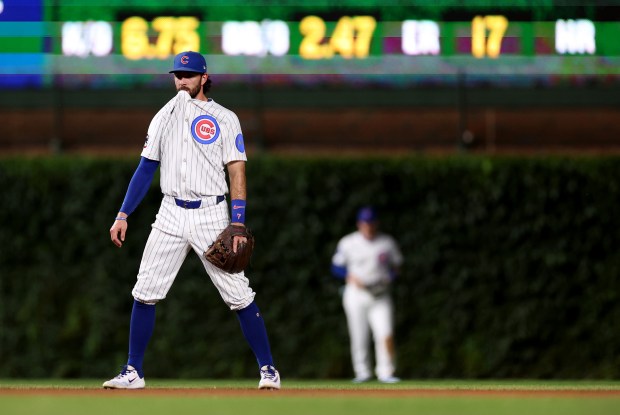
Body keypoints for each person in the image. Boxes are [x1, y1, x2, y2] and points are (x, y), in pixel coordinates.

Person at [103, 51, 280, 390]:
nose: (182, 80)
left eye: (189, 74)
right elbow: (146, 167)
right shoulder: (163, 117)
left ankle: (268, 369)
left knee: (238, 294)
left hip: (212, 213)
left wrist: (238, 222)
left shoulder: (225, 118)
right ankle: (133, 371)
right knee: (145, 290)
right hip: (170, 211)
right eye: (177, 74)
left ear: (204, 77)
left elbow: (237, 170)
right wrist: (123, 213)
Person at [330, 206, 403, 383]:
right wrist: (349, 276)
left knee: (385, 332)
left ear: (376, 224)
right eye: (365, 223)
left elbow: (397, 267)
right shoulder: (349, 242)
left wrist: (388, 278)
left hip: (380, 294)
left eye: (371, 223)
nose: (368, 227)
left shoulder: (387, 242)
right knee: (358, 334)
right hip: (356, 294)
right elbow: (336, 267)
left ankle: (386, 372)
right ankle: (362, 372)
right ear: (359, 224)